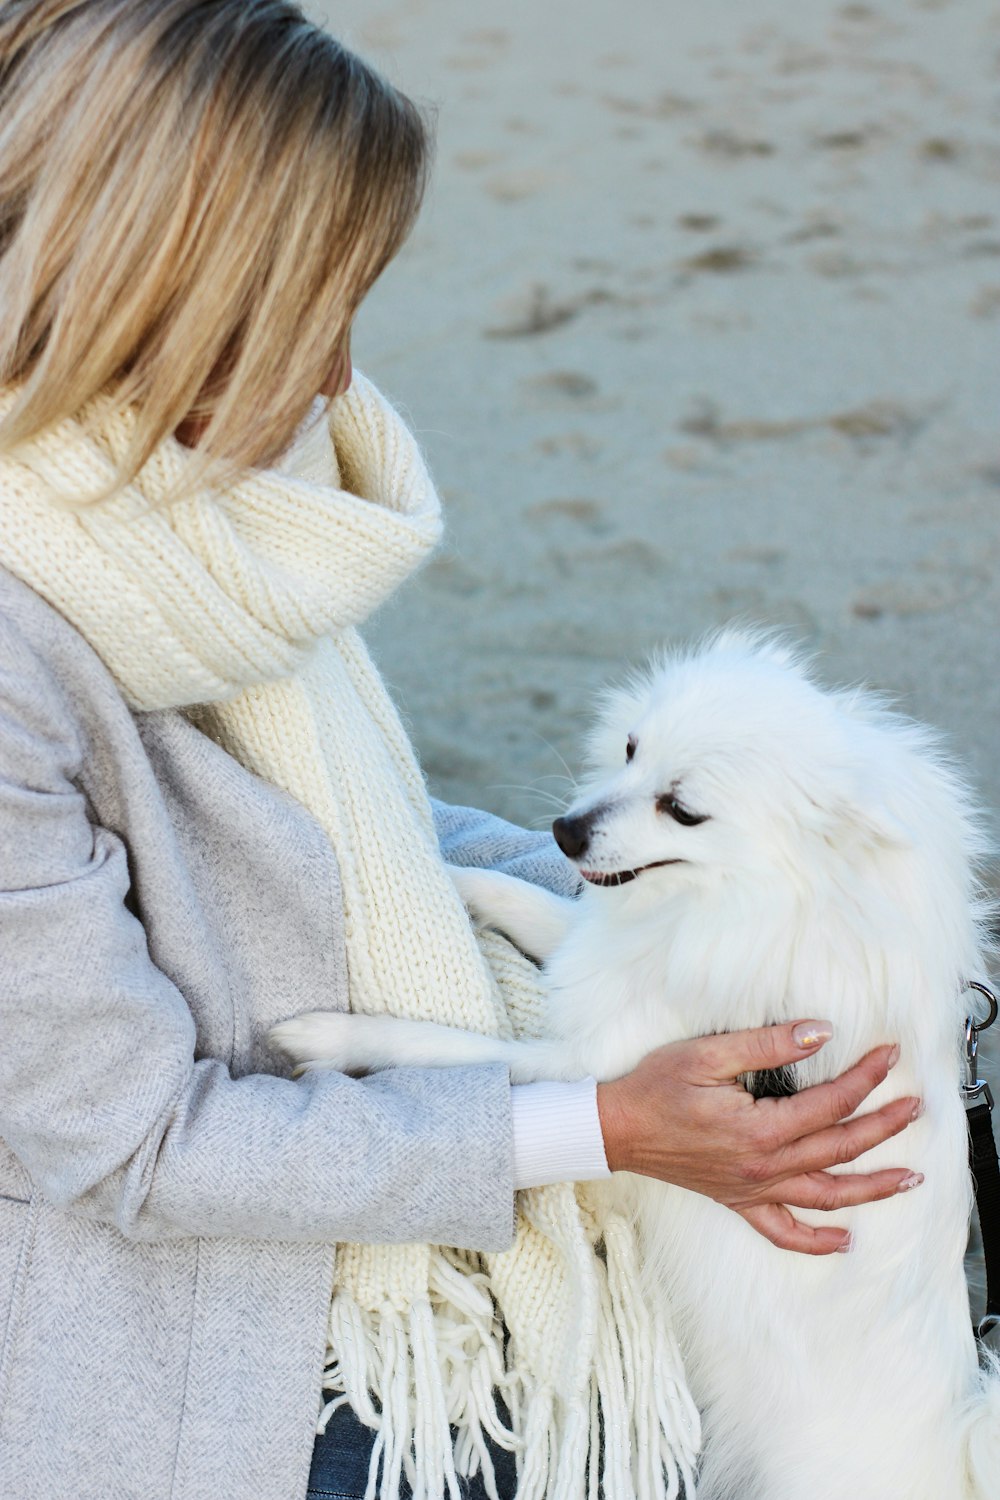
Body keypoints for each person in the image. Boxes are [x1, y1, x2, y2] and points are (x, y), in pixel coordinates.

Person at [0, 4, 923, 1499]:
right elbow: (139, 1148)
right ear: (170, 292)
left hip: (368, 1154)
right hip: (202, 1347)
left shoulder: (176, 514)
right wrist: (612, 1127)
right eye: (315, 312)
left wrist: (724, 907)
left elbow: (349, 850)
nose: (337, 378)